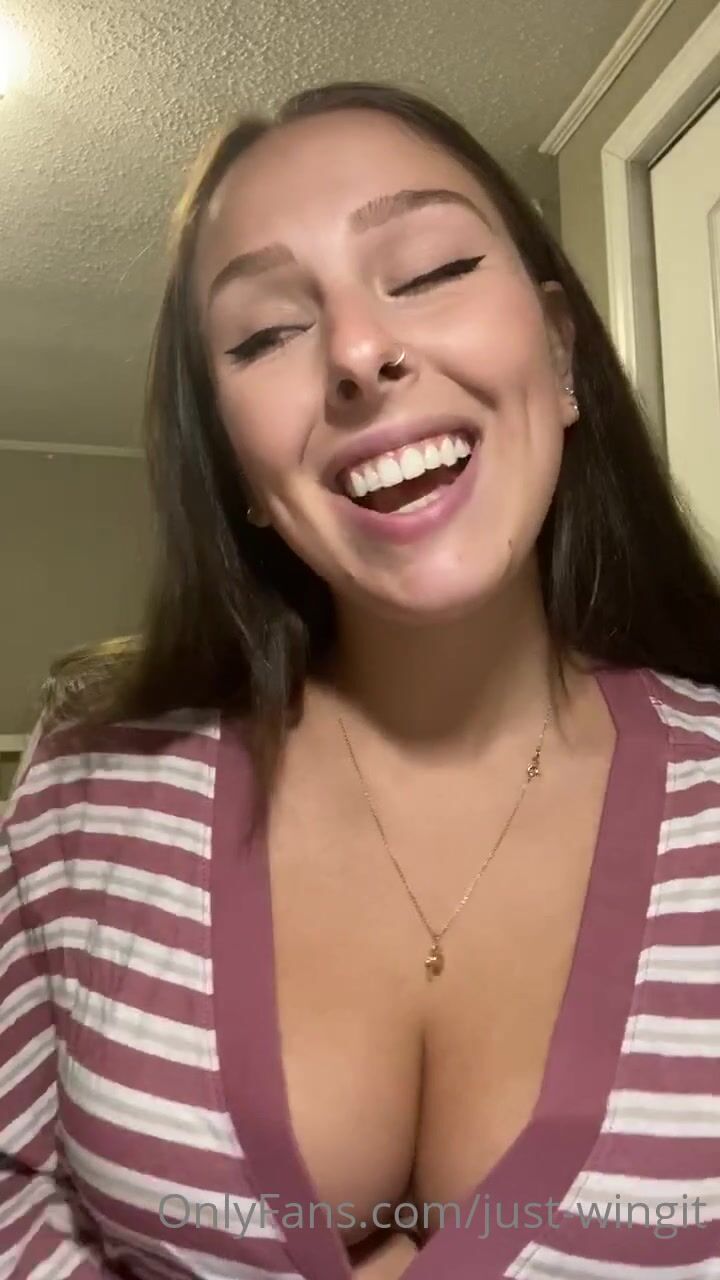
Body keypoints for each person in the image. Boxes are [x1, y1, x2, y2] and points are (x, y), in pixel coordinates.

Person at [2, 80, 720, 1280]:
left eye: (430, 269)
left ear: (559, 351)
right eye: (265, 335)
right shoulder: (88, 780)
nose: (356, 351)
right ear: (235, 466)